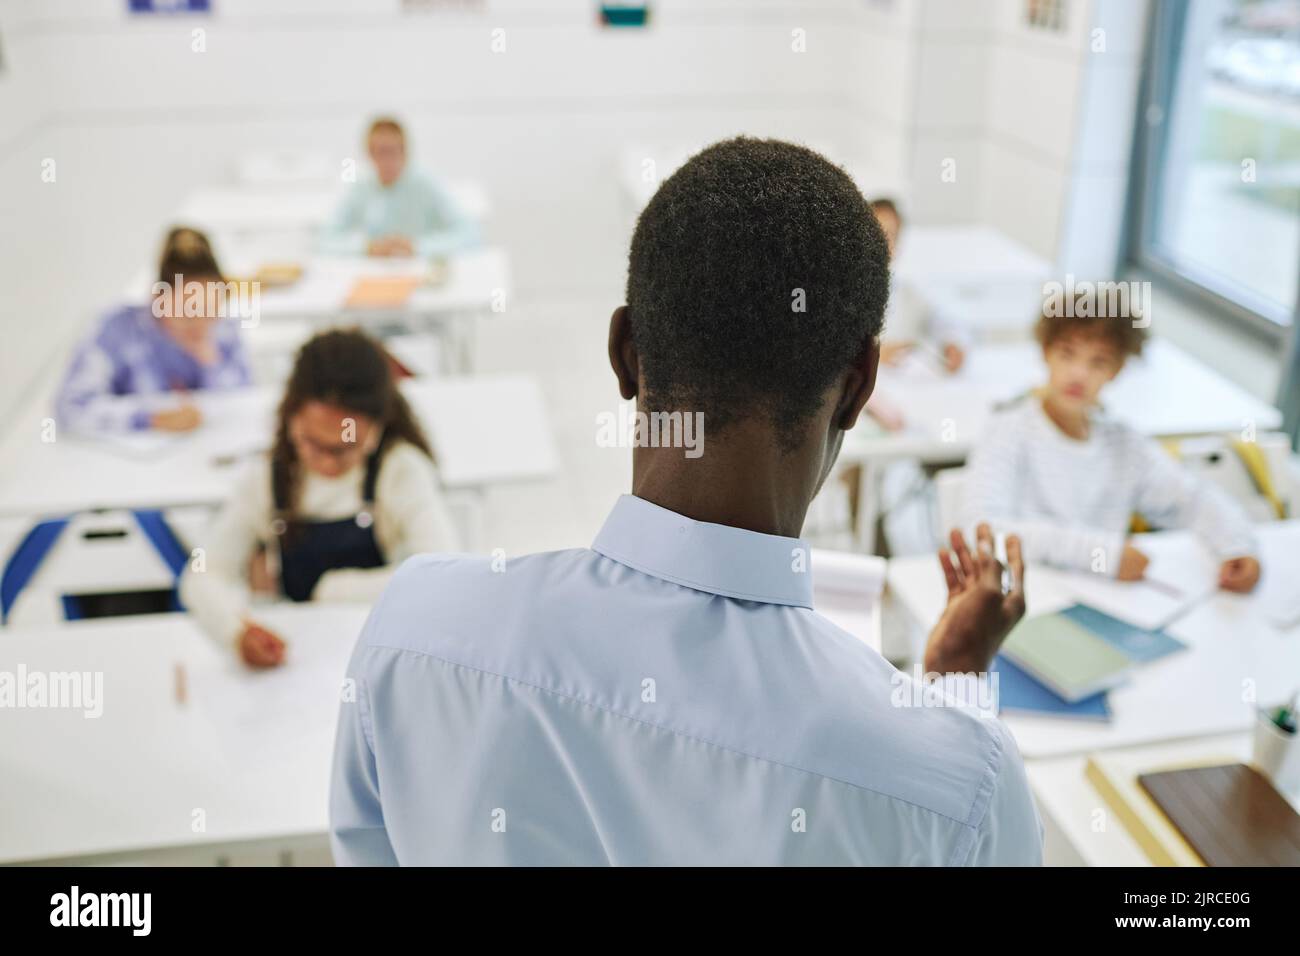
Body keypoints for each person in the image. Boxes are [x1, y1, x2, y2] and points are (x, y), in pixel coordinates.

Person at [329, 138, 1042, 866]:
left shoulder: (413, 629)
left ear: (626, 352)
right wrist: (952, 693)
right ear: (860, 384)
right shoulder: (959, 784)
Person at [179, 329, 460, 667]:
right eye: (312, 443)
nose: (327, 462)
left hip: (383, 653)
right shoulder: (267, 478)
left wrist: (334, 591)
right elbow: (203, 574)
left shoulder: (400, 471)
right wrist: (235, 631)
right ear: (291, 419)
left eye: (344, 449)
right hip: (298, 658)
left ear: (377, 429)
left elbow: (445, 576)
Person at [961, 295, 1261, 591]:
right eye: (1067, 354)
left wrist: (1237, 547)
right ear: (1045, 352)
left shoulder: (1123, 444)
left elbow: (1194, 499)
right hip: (1024, 597)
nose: (1079, 373)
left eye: (1098, 362)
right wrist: (1103, 555)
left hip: (1106, 600)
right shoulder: (1008, 431)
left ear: (1115, 370)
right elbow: (983, 533)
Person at [54, 227, 250, 434]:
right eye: (189, 315)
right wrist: (151, 419)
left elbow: (245, 407)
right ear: (158, 299)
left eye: (210, 313)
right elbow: (71, 408)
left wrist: (212, 364)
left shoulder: (224, 330)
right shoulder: (115, 331)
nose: (201, 327)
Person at [319, 116, 479, 258]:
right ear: (368, 153)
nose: (386, 160)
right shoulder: (360, 187)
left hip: (420, 271)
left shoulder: (425, 184)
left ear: (405, 152)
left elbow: (471, 235)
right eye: (379, 152)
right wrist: (366, 248)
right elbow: (323, 239)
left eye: (392, 151)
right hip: (374, 274)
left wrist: (417, 247)